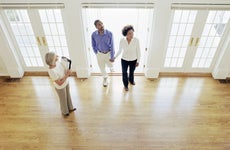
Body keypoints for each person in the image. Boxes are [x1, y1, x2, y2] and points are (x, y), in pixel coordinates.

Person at [45, 52, 76, 116]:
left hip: (66, 82)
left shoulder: (58, 63)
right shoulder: (51, 71)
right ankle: (65, 111)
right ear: (52, 59)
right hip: (60, 87)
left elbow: (64, 70)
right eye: (55, 56)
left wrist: (68, 71)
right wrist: (67, 75)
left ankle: (70, 108)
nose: (57, 56)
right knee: (63, 99)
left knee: (68, 96)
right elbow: (59, 83)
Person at [115, 25, 141, 91]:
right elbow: (120, 50)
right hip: (124, 59)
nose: (131, 35)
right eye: (129, 33)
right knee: (124, 73)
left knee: (132, 72)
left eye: (132, 33)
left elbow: (138, 51)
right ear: (125, 34)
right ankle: (125, 85)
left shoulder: (136, 40)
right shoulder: (122, 40)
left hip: (133, 59)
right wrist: (114, 57)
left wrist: (138, 61)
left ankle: (131, 80)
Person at [91, 19, 115, 87]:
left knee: (110, 64)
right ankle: (105, 78)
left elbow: (112, 45)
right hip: (99, 54)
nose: (101, 25)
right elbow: (93, 44)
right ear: (96, 27)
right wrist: (96, 52)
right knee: (102, 67)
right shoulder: (93, 34)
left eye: (101, 23)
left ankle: (110, 67)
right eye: (99, 24)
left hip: (108, 53)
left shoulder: (109, 33)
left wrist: (112, 56)